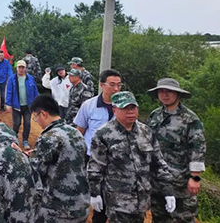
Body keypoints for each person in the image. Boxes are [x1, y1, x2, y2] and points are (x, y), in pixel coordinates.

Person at [88, 91, 176, 222]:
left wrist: (168, 190)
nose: (130, 112)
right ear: (115, 110)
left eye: (133, 108)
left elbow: (158, 162)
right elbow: (95, 167)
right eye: (125, 108)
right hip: (118, 202)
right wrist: (95, 193)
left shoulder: (146, 132)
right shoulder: (103, 134)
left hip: (142, 199)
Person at [22, 94, 90, 223]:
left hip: (59, 209)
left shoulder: (49, 137)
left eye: (35, 118)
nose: (37, 122)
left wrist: (22, 156)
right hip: (81, 203)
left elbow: (35, 169)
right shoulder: (75, 132)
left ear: (43, 114)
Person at [146, 78, 206, 222]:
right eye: (161, 91)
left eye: (169, 91)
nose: (165, 95)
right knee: (159, 217)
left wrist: (195, 177)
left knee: (183, 218)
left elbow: (198, 148)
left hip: (180, 182)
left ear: (178, 94)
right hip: (157, 180)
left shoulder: (190, 119)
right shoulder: (155, 116)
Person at [73, 69, 122, 223]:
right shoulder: (89, 105)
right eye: (112, 85)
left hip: (116, 161)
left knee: (111, 199)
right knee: (90, 196)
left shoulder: (124, 107)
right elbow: (79, 131)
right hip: (92, 159)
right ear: (102, 85)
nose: (116, 89)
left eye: (119, 85)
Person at [5, 60, 39, 150]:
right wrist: (8, 104)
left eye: (22, 67)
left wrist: (37, 103)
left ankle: (25, 140)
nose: (21, 69)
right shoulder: (12, 79)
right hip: (16, 106)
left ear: (25, 68)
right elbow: (9, 92)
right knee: (17, 123)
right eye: (19, 67)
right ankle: (14, 139)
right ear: (16, 68)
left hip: (28, 106)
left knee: (27, 123)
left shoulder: (30, 78)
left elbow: (35, 91)